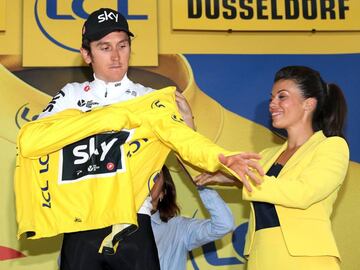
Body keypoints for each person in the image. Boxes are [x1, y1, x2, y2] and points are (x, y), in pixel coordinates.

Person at [14, 7, 264, 270]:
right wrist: (107, 118)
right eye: (104, 47)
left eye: (123, 45)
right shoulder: (71, 95)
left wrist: (219, 157)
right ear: (86, 54)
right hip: (80, 226)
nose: (115, 56)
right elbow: (30, 141)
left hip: (134, 224)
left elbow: (185, 141)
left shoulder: (150, 100)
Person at [195, 66, 349, 270]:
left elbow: (304, 192)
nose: (272, 104)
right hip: (261, 256)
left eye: (282, 97)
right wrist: (230, 178)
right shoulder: (267, 154)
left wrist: (242, 178)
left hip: (306, 260)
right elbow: (268, 184)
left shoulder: (332, 146)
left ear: (308, 104)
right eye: (272, 98)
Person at [150, 165, 234, 270]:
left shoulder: (178, 228)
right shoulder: (123, 228)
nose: (145, 183)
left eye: (154, 177)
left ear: (163, 193)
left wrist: (201, 183)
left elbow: (224, 225)